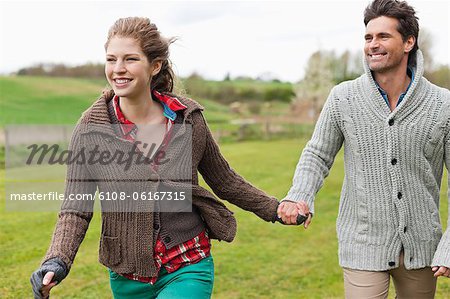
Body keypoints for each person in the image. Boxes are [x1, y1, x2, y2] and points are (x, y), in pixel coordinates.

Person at [30, 17, 304, 299]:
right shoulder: (91, 129)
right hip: (128, 274)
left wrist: (274, 208)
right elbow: (76, 208)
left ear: (155, 65)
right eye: (111, 59)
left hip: (188, 263)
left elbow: (225, 181)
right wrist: (56, 260)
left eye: (130, 59)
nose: (118, 69)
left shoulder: (188, 119)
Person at [277, 0, 450, 297]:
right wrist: (299, 195)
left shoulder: (442, 104)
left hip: (423, 247)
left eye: (383, 36)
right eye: (368, 37)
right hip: (363, 242)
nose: (373, 45)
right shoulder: (343, 97)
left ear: (409, 42)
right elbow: (317, 154)